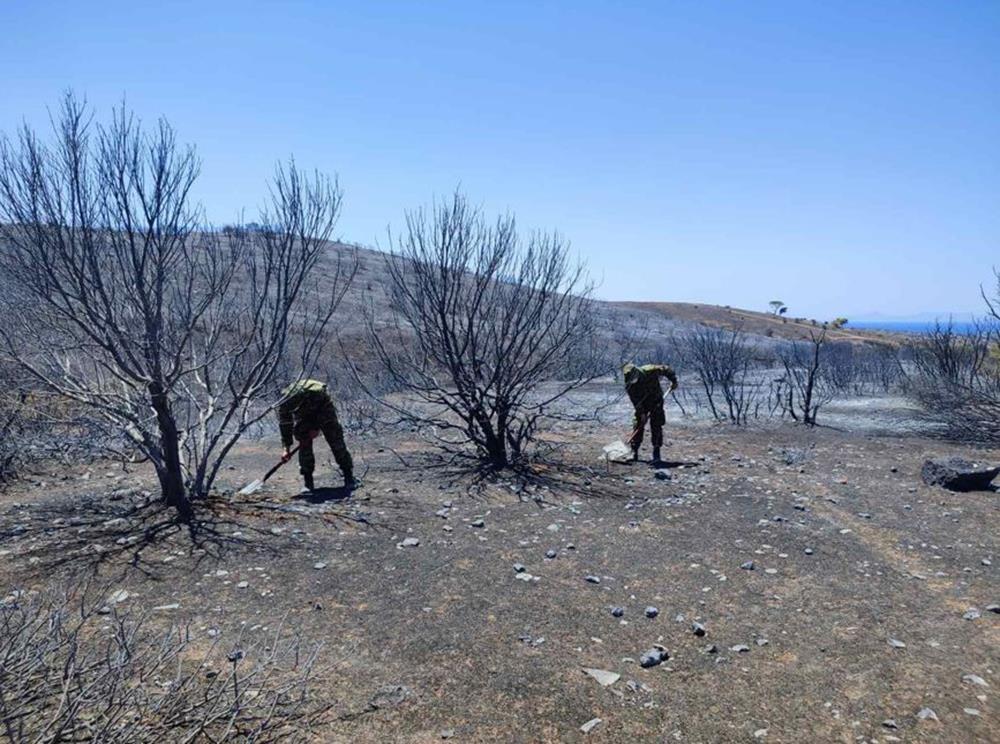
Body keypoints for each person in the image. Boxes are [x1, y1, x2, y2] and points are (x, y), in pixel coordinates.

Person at [277, 379, 356, 492]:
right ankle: (308, 483)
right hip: (304, 415)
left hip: (324, 410)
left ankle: (349, 477)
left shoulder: (316, 393)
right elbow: (285, 425)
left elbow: (323, 413)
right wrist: (286, 448)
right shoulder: (284, 403)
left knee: (336, 441)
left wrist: (316, 428)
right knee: (304, 442)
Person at [622, 362, 678, 463]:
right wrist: (642, 413)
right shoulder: (629, 385)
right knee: (638, 424)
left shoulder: (650, 370)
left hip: (656, 401)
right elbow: (635, 400)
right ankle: (634, 451)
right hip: (642, 404)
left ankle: (656, 452)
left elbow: (666, 369)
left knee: (656, 425)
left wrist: (673, 381)